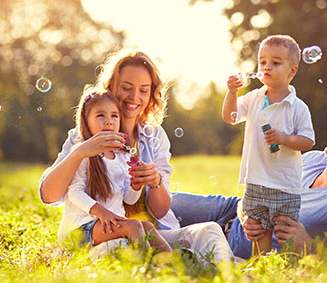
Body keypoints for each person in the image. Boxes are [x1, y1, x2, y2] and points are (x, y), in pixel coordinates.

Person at [40, 50, 234, 262]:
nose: (135, 97)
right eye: (126, 88)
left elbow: (159, 211)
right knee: (125, 246)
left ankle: (230, 277)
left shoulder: (154, 136)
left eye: (144, 90)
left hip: (153, 232)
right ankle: (158, 267)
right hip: (105, 235)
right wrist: (79, 152)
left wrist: (154, 182)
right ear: (110, 88)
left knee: (210, 230)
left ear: (151, 94)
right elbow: (49, 195)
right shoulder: (84, 136)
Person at [170, 116, 327, 259]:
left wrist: (309, 247)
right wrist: (245, 210)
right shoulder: (314, 158)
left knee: (153, 238)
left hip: (236, 246)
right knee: (153, 200)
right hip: (229, 210)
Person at [222, 35, 315, 254]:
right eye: (262, 62)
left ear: (292, 71)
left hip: (284, 183)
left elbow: (308, 141)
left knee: (285, 229)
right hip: (256, 179)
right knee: (258, 228)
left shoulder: (297, 107)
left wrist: (284, 139)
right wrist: (232, 92)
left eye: (275, 62)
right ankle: (262, 264)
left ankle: (291, 264)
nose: (266, 67)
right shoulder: (254, 98)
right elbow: (230, 116)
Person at [59, 88, 171, 252]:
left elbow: (129, 200)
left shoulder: (122, 157)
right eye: (100, 115)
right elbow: (74, 192)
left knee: (146, 227)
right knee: (133, 226)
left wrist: (135, 185)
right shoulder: (82, 152)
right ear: (85, 121)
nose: (109, 121)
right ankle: (148, 268)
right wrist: (101, 212)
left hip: (108, 224)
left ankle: (173, 264)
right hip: (80, 228)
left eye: (114, 116)